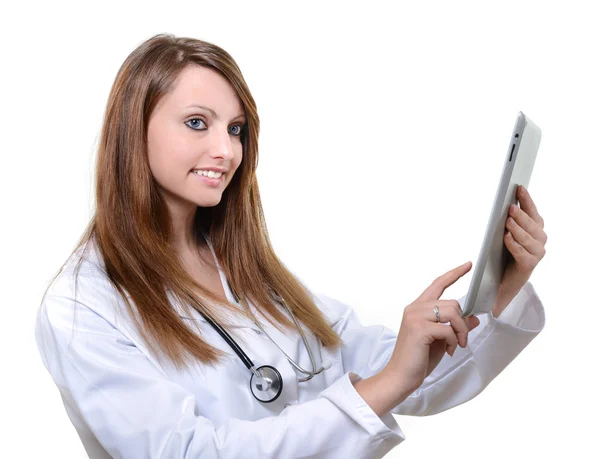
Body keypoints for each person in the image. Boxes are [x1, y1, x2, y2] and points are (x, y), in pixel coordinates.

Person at [35, 33, 548, 459]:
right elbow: (187, 454)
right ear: (133, 130)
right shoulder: (84, 306)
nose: (226, 150)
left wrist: (500, 287)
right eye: (197, 123)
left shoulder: (248, 273)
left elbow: (414, 379)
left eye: (236, 129)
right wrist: (387, 382)